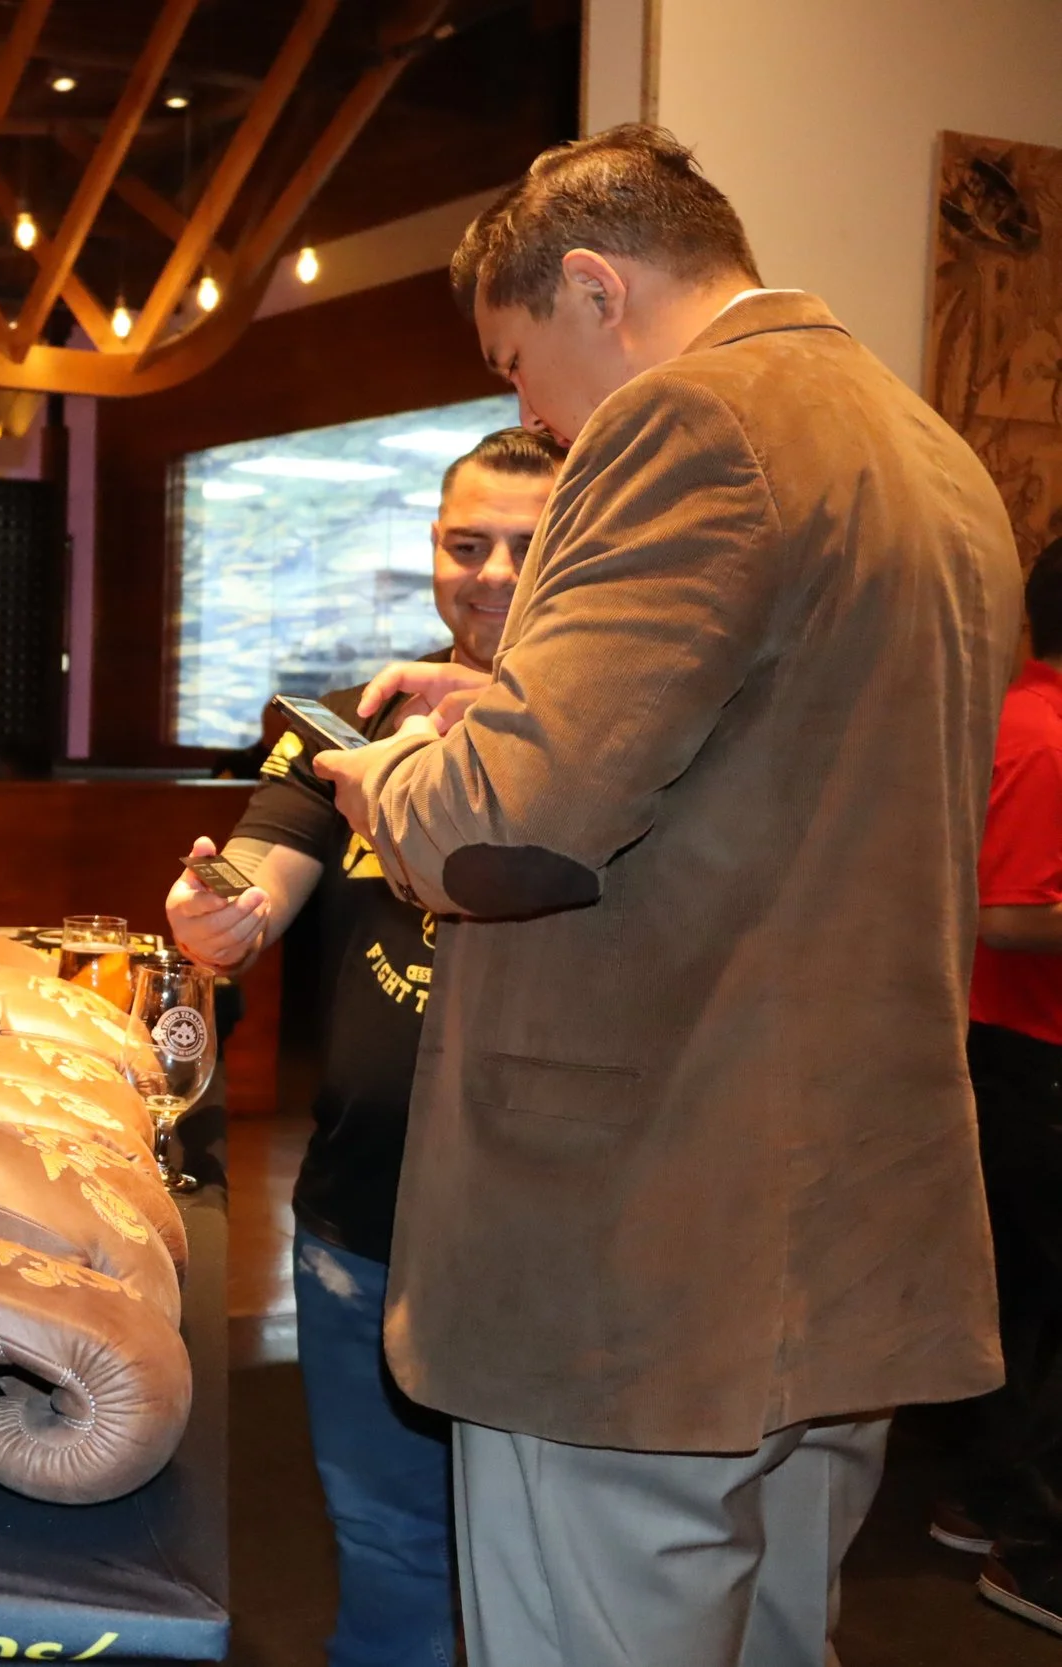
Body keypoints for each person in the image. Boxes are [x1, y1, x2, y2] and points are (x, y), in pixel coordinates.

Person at [307, 125, 1020, 1664]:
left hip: (643, 1247)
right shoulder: (934, 455)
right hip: (841, 1227)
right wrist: (498, 709)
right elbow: (775, 768)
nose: (530, 413)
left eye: (516, 363)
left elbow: (503, 831)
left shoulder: (688, 419)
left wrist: (395, 781)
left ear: (595, 288)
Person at [165, 425, 564, 1667]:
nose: (492, 573)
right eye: (466, 543)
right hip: (361, 1226)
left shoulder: (610, 742)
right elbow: (263, 867)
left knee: (553, 1571)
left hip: (557, 1234)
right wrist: (220, 915)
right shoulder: (356, 719)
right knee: (391, 1556)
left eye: (527, 543)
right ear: (430, 548)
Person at [951, 537, 1062, 1634]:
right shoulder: (1043, 732)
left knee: (1023, 1305)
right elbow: (1007, 914)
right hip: (1025, 1050)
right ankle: (1033, 1550)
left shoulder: (1021, 711)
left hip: (1010, 1049)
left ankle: (984, 1503)